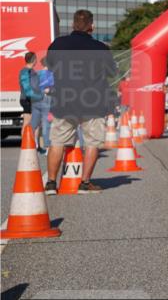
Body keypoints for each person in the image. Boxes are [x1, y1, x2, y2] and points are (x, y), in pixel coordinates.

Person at [43, 10, 117, 194]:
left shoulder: (58, 44)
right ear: (92, 26)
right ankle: (84, 184)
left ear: (73, 25)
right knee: (92, 143)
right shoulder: (101, 48)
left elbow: (50, 67)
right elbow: (111, 73)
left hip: (64, 101)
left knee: (57, 142)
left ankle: (51, 183)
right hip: (93, 102)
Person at [33, 57, 54, 153]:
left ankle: (32, 144)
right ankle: (47, 147)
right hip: (46, 98)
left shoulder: (37, 74)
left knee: (35, 123)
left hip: (36, 99)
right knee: (46, 123)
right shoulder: (51, 74)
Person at [18, 52, 41, 133]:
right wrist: (39, 96)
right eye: (36, 59)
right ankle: (25, 144)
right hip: (27, 99)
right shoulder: (25, 72)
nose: (37, 61)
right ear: (33, 60)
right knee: (27, 122)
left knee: (36, 123)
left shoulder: (32, 71)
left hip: (32, 99)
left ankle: (35, 144)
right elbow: (27, 90)